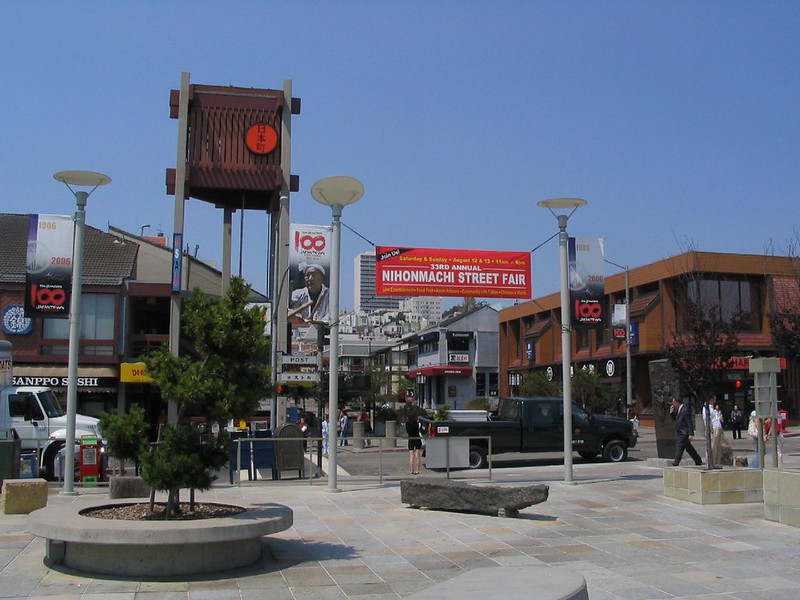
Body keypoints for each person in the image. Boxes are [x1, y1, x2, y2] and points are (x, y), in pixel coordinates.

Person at [670, 397, 703, 466]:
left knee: (679, 447)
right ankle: (698, 460)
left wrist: (691, 434)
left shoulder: (685, 410)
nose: (672, 404)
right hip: (680, 431)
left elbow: (689, 422)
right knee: (689, 448)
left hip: (683, 432)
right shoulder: (678, 409)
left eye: (673, 402)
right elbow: (674, 418)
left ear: (677, 402)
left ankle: (676, 462)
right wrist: (672, 412)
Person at [701, 396, 723, 465]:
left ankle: (716, 463)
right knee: (712, 447)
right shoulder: (706, 408)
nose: (715, 400)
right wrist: (710, 429)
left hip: (717, 428)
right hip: (713, 428)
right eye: (714, 399)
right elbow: (707, 419)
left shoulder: (712, 408)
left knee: (717, 448)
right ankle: (710, 463)